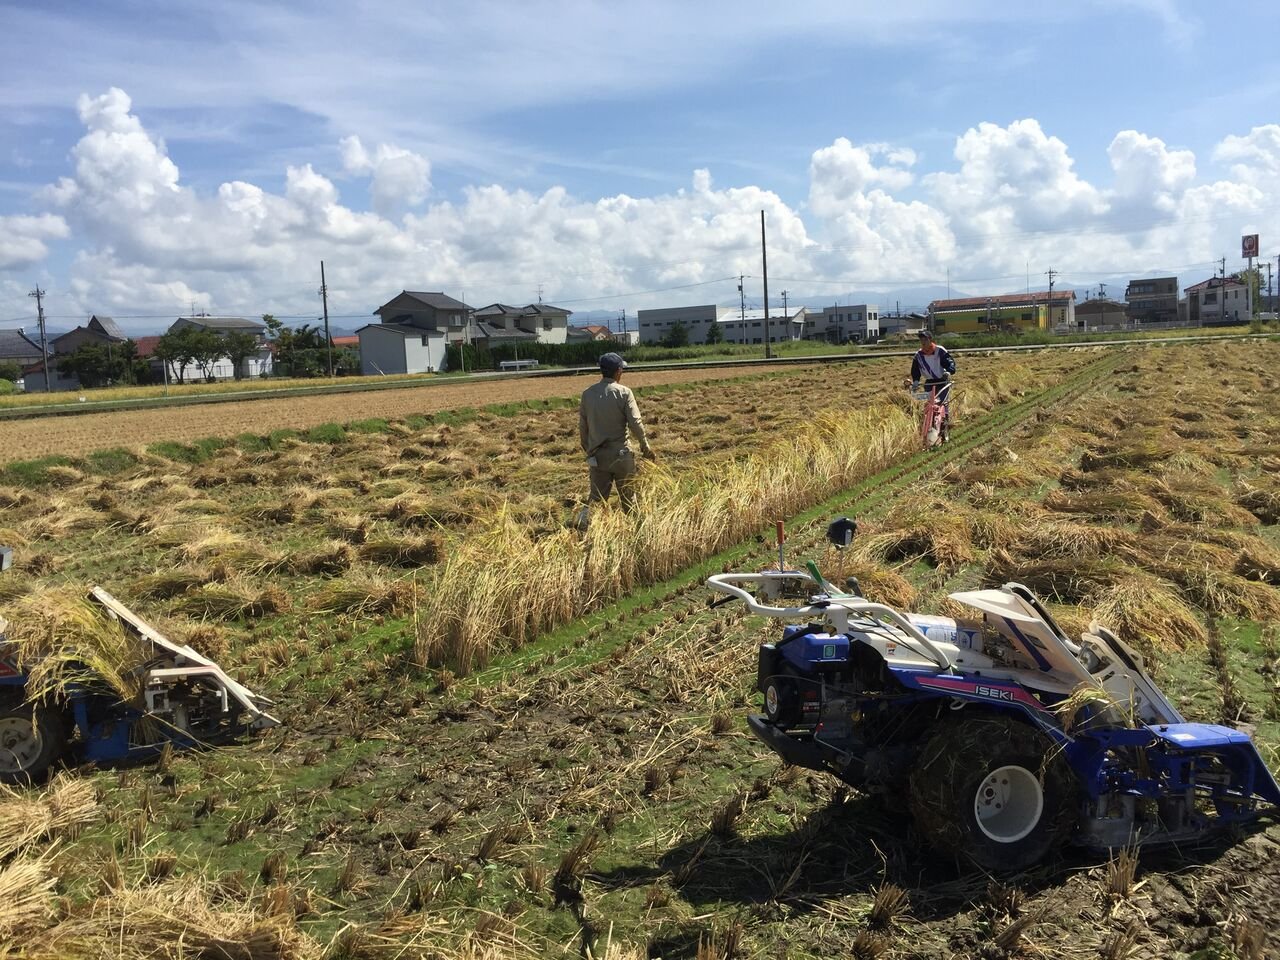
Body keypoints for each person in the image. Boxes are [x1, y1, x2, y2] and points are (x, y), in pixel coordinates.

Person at [578, 352, 655, 517]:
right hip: (622, 455)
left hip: (598, 456)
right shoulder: (624, 393)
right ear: (618, 371)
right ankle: (636, 532)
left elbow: (583, 428)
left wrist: (589, 451)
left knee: (596, 500)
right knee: (629, 498)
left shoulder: (587, 394)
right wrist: (645, 446)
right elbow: (635, 423)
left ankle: (585, 530)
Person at [906, 329, 956, 439]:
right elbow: (915, 370)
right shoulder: (918, 355)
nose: (923, 342)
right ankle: (929, 427)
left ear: (930, 339)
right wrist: (915, 381)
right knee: (930, 405)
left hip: (942, 381)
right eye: (921, 340)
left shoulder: (939, 350)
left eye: (925, 339)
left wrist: (949, 371)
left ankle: (944, 426)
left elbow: (949, 362)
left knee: (943, 404)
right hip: (929, 382)